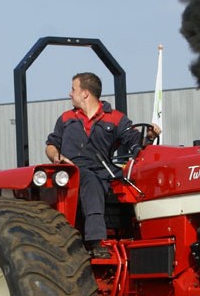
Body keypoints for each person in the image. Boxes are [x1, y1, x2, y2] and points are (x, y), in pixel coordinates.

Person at [46, 72, 159, 259]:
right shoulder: (66, 118)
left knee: (132, 182)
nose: (70, 93)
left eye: (73, 89)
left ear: (85, 93)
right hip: (74, 171)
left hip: (104, 169)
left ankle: (140, 236)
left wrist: (149, 137)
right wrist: (58, 157)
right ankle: (96, 241)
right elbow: (51, 145)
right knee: (91, 181)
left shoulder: (115, 118)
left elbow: (134, 142)